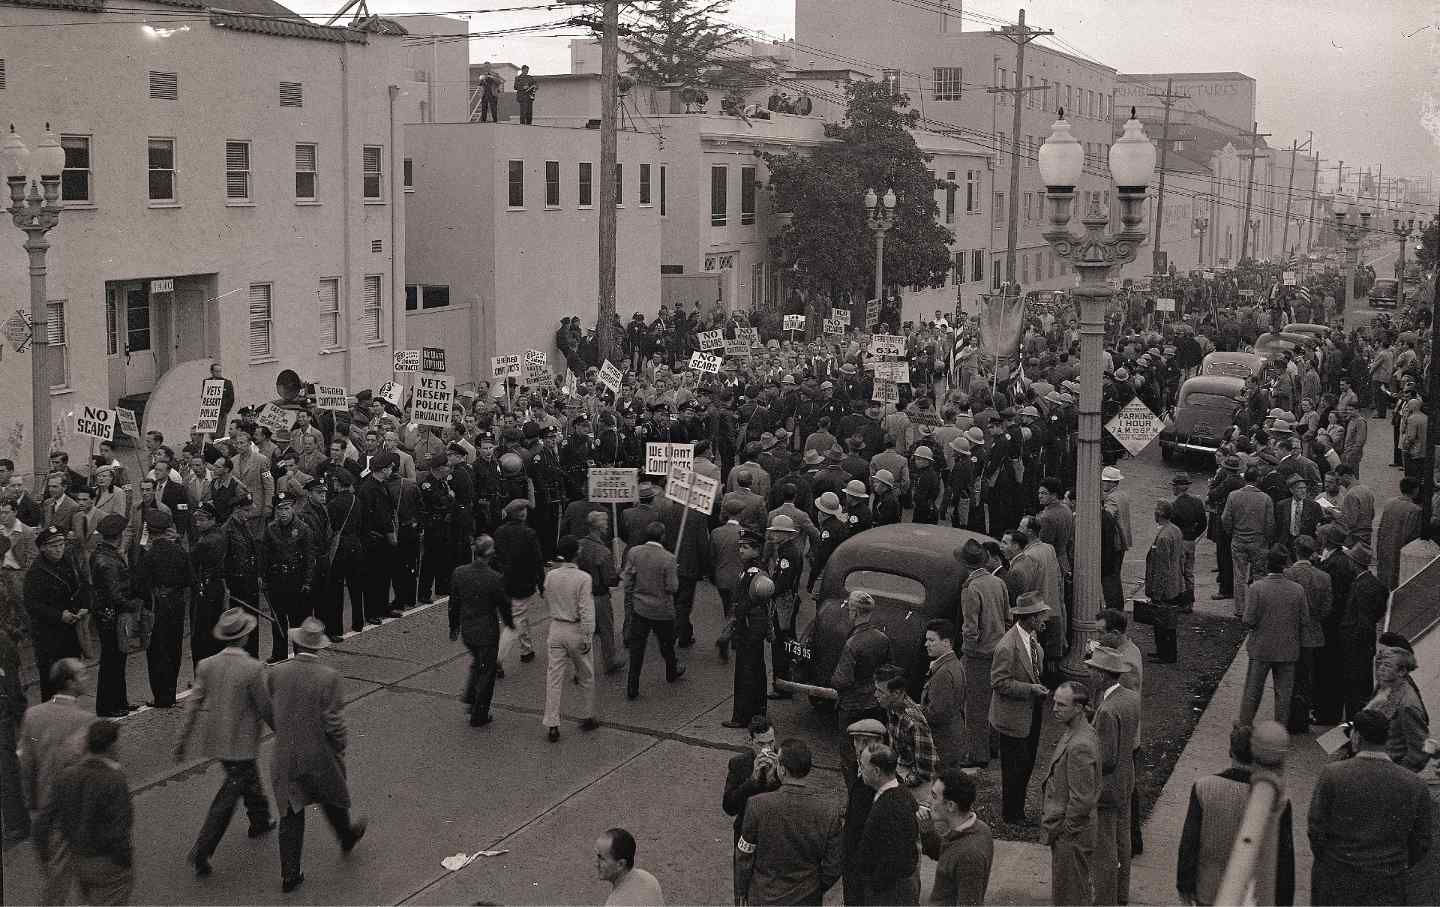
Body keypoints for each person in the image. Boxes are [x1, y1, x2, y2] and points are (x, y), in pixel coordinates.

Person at [175, 607, 276, 876]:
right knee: (229, 795)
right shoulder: (252, 668)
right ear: (244, 637)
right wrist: (281, 730)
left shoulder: (207, 665)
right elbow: (265, 706)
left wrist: (182, 740)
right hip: (241, 742)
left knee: (246, 778)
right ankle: (202, 849)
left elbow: (193, 704)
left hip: (217, 739)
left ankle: (260, 818)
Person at [268, 617, 367, 893]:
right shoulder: (329, 677)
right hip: (319, 753)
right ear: (318, 647)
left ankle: (290, 873)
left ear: (295, 643)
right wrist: (340, 746)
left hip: (286, 754)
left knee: (291, 812)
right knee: (331, 796)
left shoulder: (276, 673)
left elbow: (273, 708)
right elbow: (334, 722)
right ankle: (345, 836)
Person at [1308, 708, 1431, 905]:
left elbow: (1316, 829)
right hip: (1387, 882)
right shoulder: (1414, 784)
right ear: (1387, 739)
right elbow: (1422, 841)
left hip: (1337, 879)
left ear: (1356, 737)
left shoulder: (1332, 775)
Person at [1177, 723, 1295, 907]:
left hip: (1208, 889)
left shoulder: (1203, 787)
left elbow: (1190, 843)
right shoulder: (1278, 802)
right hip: (1253, 896)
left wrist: (1184, 886)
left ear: (1230, 751)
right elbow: (1284, 859)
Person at [34, 720, 133, 906]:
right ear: (111, 746)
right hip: (108, 861)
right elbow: (121, 826)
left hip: (78, 858)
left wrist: (45, 857)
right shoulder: (115, 780)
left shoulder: (66, 775)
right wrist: (124, 860)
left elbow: (42, 822)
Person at [734, 738, 844, 905]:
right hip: (807, 898)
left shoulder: (758, 805)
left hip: (765, 896)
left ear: (783, 770)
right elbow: (834, 863)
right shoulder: (829, 809)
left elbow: (744, 854)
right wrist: (815, 887)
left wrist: (742, 890)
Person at [990, 591, 1050, 826]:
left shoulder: (1032, 639)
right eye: (1041, 616)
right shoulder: (1007, 646)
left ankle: (1018, 809)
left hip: (1030, 712)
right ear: (1031, 618)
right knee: (1014, 767)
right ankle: (1012, 814)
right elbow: (999, 682)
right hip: (1013, 717)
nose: (1044, 619)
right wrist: (1030, 689)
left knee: (1027, 763)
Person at [1087, 647, 1141, 907]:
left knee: (1104, 849)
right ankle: (1121, 896)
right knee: (1123, 841)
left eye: (1092, 669)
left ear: (1102, 675)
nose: (1089, 673)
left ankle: (1105, 900)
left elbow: (1105, 759)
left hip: (1107, 788)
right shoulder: (1130, 698)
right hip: (1126, 779)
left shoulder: (1107, 710)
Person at [1040, 681, 1101, 907]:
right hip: (1070, 833)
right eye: (1054, 703)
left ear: (1078, 708)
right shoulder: (1078, 731)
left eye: (1061, 705)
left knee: (1071, 897)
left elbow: (1082, 799)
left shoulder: (1080, 744)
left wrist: (1066, 832)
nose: (1054, 709)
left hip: (1072, 836)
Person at [448, 534, 514, 727]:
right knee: (487, 671)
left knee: (479, 663)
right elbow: (503, 605)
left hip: (468, 629)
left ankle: (471, 696)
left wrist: (454, 627)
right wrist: (510, 623)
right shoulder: (494, 578)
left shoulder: (459, 573)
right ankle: (479, 713)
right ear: (490, 553)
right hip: (486, 631)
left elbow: (454, 603)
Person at [542, 535, 599, 742]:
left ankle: (552, 722)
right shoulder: (583, 578)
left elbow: (547, 599)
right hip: (575, 629)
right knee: (586, 674)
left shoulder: (551, 576)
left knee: (554, 677)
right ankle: (587, 715)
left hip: (556, 626)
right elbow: (586, 610)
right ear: (577, 553)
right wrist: (587, 635)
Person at [956, 539, 1006, 770]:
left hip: (978, 655)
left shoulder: (971, 588)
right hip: (998, 649)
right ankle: (994, 745)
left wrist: (967, 651)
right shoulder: (998, 582)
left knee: (974, 706)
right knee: (993, 702)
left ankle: (978, 753)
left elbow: (970, 627)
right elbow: (1007, 618)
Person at [135, 510, 193, 708]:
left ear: (150, 532)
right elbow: (189, 579)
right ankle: (171, 692)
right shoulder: (179, 552)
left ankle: (160, 696)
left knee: (157, 650)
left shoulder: (148, 556)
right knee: (174, 647)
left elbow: (139, 585)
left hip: (157, 604)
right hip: (176, 604)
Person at [18, 658, 91, 815]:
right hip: (75, 806)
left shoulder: (32, 715)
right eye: (82, 674)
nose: (87, 678)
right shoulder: (85, 720)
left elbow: (26, 764)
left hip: (44, 803)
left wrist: (31, 803)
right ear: (70, 682)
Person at [621, 521, 685, 700]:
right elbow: (672, 587)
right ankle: (671, 671)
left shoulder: (634, 552)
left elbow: (627, 578)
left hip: (640, 608)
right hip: (661, 610)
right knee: (666, 645)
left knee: (637, 649)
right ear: (662, 536)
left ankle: (632, 687)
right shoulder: (669, 558)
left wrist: (632, 594)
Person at [24, 525, 87, 701]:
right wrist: (59, 615)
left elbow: (82, 587)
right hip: (49, 637)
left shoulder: (68, 561)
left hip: (71, 632)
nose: (59, 549)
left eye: (61, 544)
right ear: (43, 548)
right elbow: (32, 605)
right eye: (54, 545)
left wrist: (83, 607)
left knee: (71, 680)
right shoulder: (36, 572)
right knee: (52, 682)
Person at [854, 742, 920, 905]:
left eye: (863, 766)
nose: (860, 770)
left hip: (889, 893)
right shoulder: (902, 793)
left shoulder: (890, 806)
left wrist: (875, 884)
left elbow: (894, 857)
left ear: (876, 772)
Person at [88, 514, 138, 718]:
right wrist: (133, 605)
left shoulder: (104, 554)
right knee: (113, 661)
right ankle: (109, 705)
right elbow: (115, 594)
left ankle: (119, 702)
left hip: (107, 614)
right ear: (118, 535)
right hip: (112, 615)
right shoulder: (107, 561)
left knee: (117, 659)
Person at [919, 771, 994, 906]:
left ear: (951, 806)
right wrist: (927, 829)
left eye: (934, 796)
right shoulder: (980, 828)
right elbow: (945, 855)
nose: (928, 800)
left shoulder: (969, 854)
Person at [1284, 535, 1332, 735]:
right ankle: (1302, 718)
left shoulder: (1288, 574)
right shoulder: (1323, 577)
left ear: (1296, 551)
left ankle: (1289, 716)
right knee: (1306, 678)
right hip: (1312, 633)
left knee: (1288, 677)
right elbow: (1327, 608)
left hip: (1290, 633)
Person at [725, 532, 773, 729]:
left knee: (746, 670)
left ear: (756, 549)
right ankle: (758, 711)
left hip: (749, 625)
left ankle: (742, 716)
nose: (741, 550)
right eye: (740, 547)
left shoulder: (753, 571)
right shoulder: (752, 568)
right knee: (755, 667)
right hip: (753, 624)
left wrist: (734, 619)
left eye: (745, 547)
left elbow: (747, 600)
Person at [829, 590, 891, 733]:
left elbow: (843, 680)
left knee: (848, 749)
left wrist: (832, 680)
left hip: (852, 704)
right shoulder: (883, 638)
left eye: (850, 610)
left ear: (855, 613)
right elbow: (889, 668)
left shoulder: (852, 643)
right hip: (875, 702)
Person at [841, 719, 887, 906]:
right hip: (852, 858)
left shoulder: (884, 779)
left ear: (880, 744)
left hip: (869, 864)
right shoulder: (854, 767)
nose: (859, 748)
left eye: (866, 742)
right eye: (856, 741)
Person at [494, 498, 544, 664]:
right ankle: (497, 660)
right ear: (523, 514)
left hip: (504, 581)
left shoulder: (499, 531)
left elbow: (495, 557)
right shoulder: (529, 533)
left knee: (519, 616)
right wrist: (541, 584)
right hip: (522, 582)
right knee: (514, 621)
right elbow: (537, 561)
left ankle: (526, 649)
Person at [1222, 467, 1275, 619]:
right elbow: (1270, 523)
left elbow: (1226, 519)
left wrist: (1232, 532)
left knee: (1239, 575)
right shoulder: (1265, 498)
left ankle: (1240, 609)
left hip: (1239, 539)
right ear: (1258, 480)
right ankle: (1257, 609)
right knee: (1259, 575)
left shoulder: (1233, 496)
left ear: (1245, 479)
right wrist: (1267, 538)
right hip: (1259, 541)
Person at [576, 511, 625, 674]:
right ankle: (609, 661)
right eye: (605, 523)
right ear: (599, 527)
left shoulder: (580, 544)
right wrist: (618, 574)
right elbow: (610, 579)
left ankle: (580, 666)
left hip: (581, 593)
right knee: (606, 629)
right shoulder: (603, 551)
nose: (608, 525)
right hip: (599, 595)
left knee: (583, 630)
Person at [1366, 646, 1430, 772]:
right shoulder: (1383, 688)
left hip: (1385, 768)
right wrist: (1329, 744)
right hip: (1366, 756)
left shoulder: (1407, 704)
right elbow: (1362, 720)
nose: (1381, 669)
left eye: (1387, 666)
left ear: (1401, 672)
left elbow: (1420, 750)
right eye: (1380, 664)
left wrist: (1398, 776)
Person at [874, 667, 939, 789]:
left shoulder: (912, 721)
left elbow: (925, 769)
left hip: (917, 785)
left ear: (897, 693)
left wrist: (903, 783)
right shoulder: (892, 708)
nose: (875, 694)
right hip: (901, 770)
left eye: (880, 691)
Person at [722, 716, 782, 844]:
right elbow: (729, 807)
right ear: (750, 741)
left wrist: (774, 777)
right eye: (761, 744)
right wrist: (752, 780)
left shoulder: (785, 762)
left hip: (776, 834)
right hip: (746, 831)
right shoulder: (739, 763)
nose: (767, 749)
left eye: (771, 742)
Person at [921, 618, 967, 775]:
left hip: (943, 743)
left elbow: (937, 714)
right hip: (954, 737)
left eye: (931, 640)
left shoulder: (942, 673)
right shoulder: (955, 664)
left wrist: (916, 711)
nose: (926, 644)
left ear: (946, 642)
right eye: (926, 640)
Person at [1146, 500, 1186, 663]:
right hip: (1175, 582)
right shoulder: (1175, 530)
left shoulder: (1163, 537)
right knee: (1169, 622)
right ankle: (1166, 652)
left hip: (1165, 587)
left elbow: (1162, 568)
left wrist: (1156, 591)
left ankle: (1165, 654)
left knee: (1162, 622)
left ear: (1160, 514)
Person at [1376, 477, 1423, 591]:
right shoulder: (1415, 510)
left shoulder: (1389, 503)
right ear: (1416, 490)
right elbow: (1413, 536)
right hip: (1400, 550)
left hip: (1385, 548)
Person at [596, 827, 664, 906]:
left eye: (601, 858)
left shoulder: (615, 903)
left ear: (620, 864)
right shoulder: (649, 879)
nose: (596, 863)